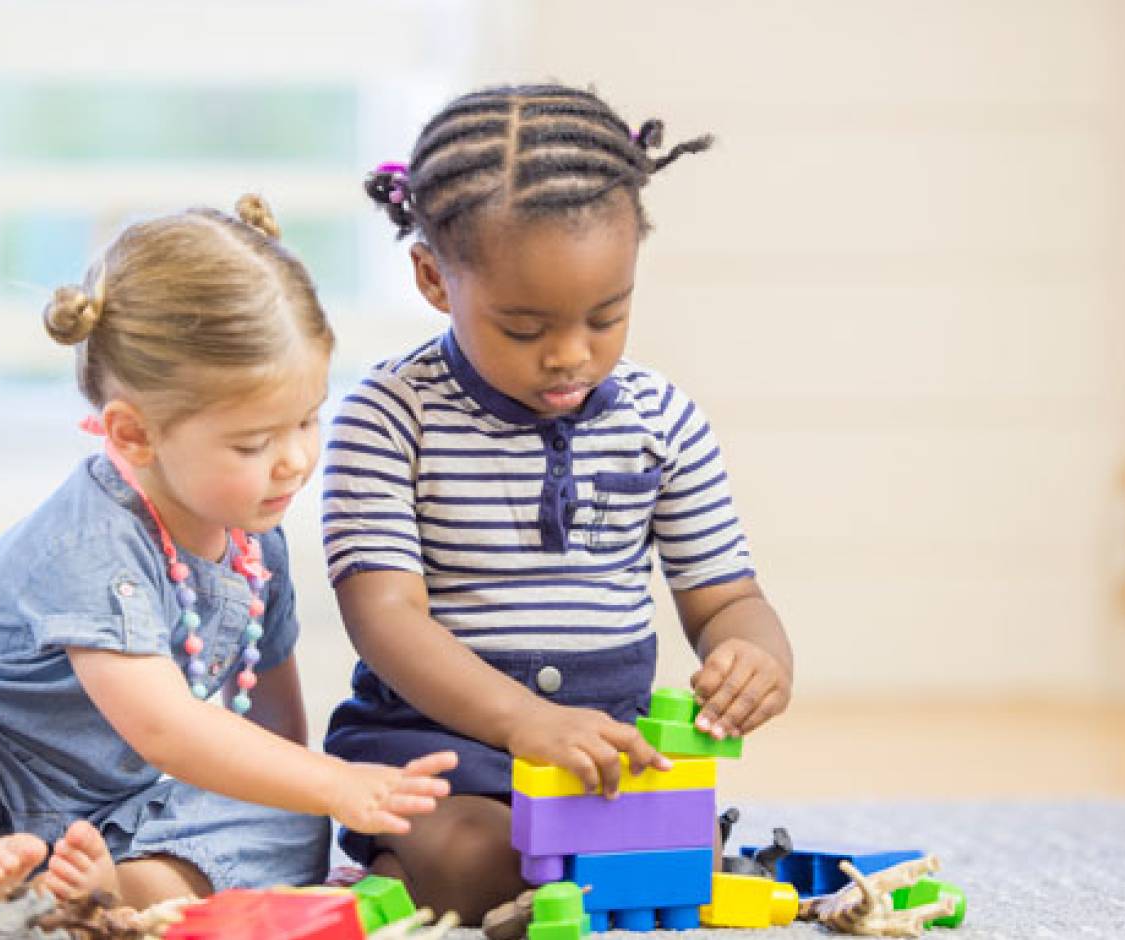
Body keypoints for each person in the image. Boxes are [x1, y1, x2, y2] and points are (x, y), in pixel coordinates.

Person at [0, 195, 456, 909]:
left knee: (290, 811)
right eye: (253, 443)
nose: (294, 460)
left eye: (306, 419)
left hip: (91, 826)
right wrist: (337, 782)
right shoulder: (96, 540)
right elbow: (165, 729)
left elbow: (271, 729)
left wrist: (314, 792)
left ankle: (108, 894)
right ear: (134, 435)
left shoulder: (254, 534)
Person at [320, 84, 796, 921]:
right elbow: (384, 618)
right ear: (435, 278)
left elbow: (727, 599)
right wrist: (519, 721)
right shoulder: (391, 414)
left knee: (678, 865)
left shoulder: (663, 419)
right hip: (441, 747)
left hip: (605, 752)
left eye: (606, 316)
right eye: (524, 327)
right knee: (480, 862)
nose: (571, 356)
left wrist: (757, 655)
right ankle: (395, 868)